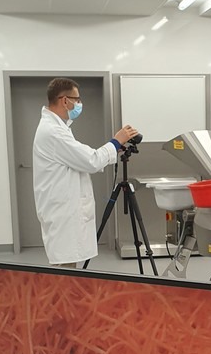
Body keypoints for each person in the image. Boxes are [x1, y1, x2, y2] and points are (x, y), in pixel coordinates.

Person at [33, 77, 139, 267]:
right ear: (65, 100)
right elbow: (91, 161)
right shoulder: (53, 131)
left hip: (64, 208)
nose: (79, 104)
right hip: (63, 211)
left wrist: (114, 149)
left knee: (67, 264)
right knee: (65, 268)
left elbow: (81, 159)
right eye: (77, 99)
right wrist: (116, 141)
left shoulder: (57, 128)